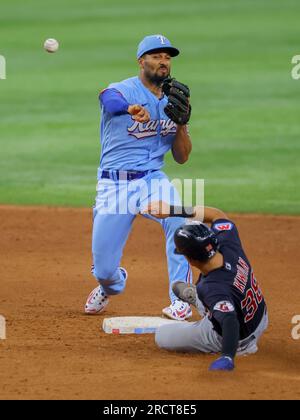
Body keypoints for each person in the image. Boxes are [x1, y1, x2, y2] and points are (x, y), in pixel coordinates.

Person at [84, 35, 194, 320]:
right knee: (105, 270)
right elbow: (107, 100)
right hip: (114, 185)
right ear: (141, 61)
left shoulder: (175, 98)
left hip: (153, 180)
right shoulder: (121, 90)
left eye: (167, 57)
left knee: (179, 221)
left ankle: (180, 298)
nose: (163, 62)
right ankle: (110, 284)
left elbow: (181, 158)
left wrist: (182, 125)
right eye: (156, 56)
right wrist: (129, 109)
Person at [144, 202, 268, 371]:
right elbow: (217, 214)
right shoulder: (228, 243)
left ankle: (208, 310)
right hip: (260, 317)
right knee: (218, 299)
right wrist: (172, 210)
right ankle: (207, 304)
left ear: (191, 260)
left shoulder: (210, 287)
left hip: (238, 339)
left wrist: (227, 356)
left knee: (162, 336)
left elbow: (230, 322)